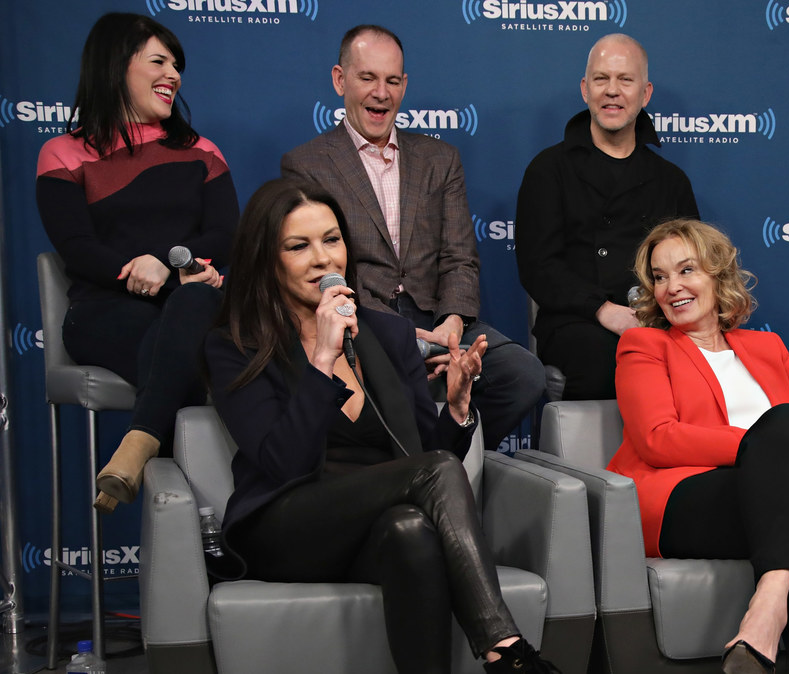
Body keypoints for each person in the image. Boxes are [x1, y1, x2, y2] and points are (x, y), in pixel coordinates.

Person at [204, 179, 558, 674]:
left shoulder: (386, 333)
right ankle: (505, 650)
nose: (323, 259)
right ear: (267, 257)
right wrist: (323, 357)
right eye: (298, 246)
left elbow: (420, 455)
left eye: (332, 240)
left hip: (373, 526)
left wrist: (456, 409)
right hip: (288, 526)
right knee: (429, 477)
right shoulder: (236, 344)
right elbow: (282, 462)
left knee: (412, 529)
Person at [606, 219, 789, 674]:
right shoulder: (644, 344)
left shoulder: (766, 348)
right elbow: (657, 438)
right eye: (660, 277)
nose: (673, 287)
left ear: (717, 275)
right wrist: (785, 449)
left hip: (774, 501)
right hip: (678, 499)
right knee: (786, 423)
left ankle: (769, 613)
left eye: (686, 270)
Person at [282, 25, 543, 452]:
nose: (380, 93)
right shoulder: (307, 164)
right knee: (394, 386)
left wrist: (452, 322)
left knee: (522, 374)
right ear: (339, 79)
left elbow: (460, 256)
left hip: (443, 321)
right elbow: (325, 271)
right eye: (367, 78)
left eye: (392, 80)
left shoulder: (440, 159)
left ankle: (449, 456)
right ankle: (420, 471)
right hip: (365, 323)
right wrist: (412, 338)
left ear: (405, 86)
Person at [35, 12, 237, 513]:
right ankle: (214, 529)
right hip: (103, 310)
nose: (174, 74)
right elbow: (77, 246)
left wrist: (169, 268)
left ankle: (140, 444)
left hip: (188, 300)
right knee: (184, 343)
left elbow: (226, 236)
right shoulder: (62, 153)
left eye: (177, 65)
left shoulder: (203, 152)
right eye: (159, 61)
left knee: (192, 309)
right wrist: (138, 270)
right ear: (115, 66)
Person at [516, 33, 699, 400]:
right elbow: (539, 267)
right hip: (576, 321)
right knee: (611, 357)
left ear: (645, 94)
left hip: (660, 318)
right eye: (601, 79)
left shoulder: (671, 180)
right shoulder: (548, 170)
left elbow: (695, 266)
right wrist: (602, 309)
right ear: (585, 90)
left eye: (625, 80)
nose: (611, 90)